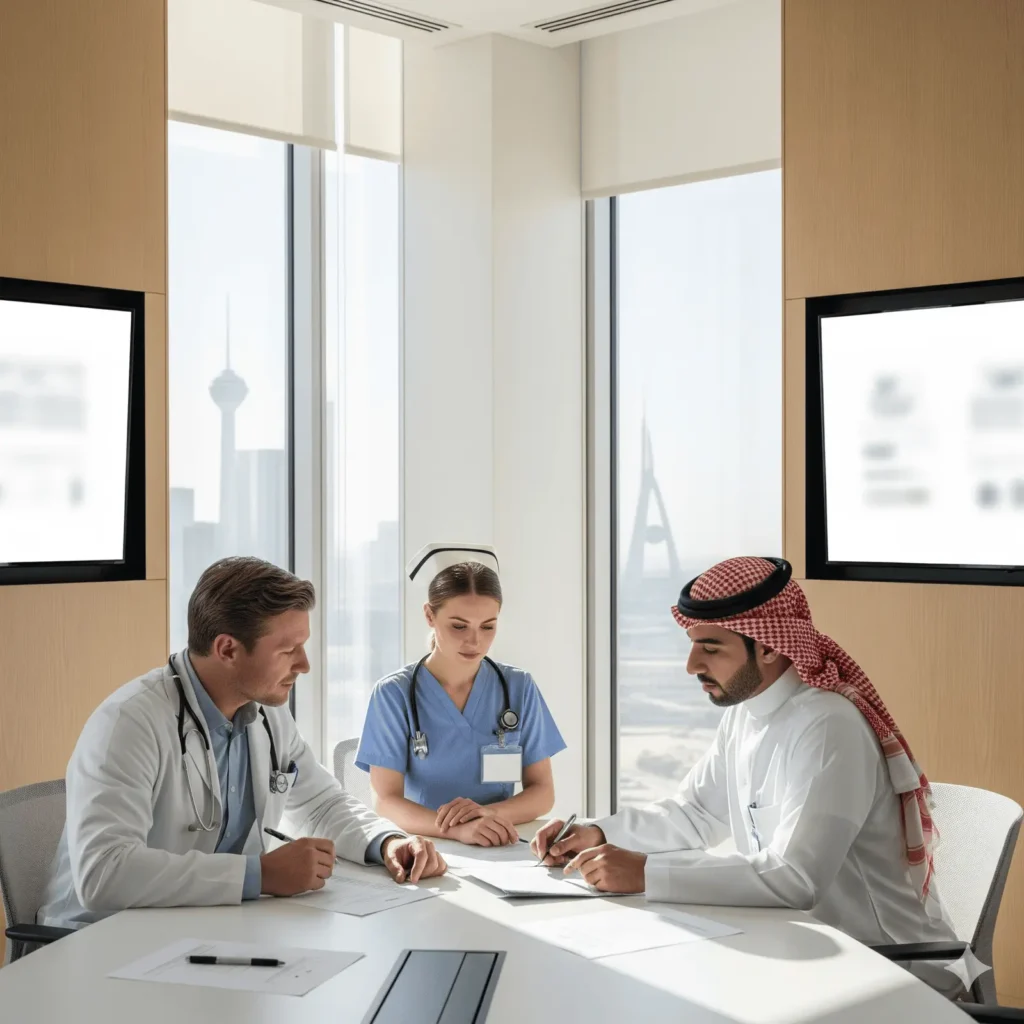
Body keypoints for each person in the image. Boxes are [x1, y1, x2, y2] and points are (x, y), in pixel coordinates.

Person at [533, 556, 956, 950]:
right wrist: (600, 835)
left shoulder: (829, 726)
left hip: (886, 962)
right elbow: (695, 815)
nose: (692, 665)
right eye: (694, 644)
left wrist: (646, 873)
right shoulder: (745, 714)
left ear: (770, 647)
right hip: (795, 946)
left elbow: (796, 879)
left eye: (711, 648)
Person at [38, 557, 446, 929]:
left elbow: (321, 804)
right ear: (228, 649)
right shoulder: (129, 723)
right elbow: (104, 872)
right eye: (288, 650)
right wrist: (259, 875)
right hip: (100, 938)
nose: (303, 665)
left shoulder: (265, 712)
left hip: (199, 925)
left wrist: (387, 841)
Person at [356, 544, 566, 847]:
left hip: (499, 841)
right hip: (424, 845)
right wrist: (456, 830)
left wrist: (485, 815)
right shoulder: (394, 694)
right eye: (458, 626)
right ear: (429, 615)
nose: (475, 641)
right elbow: (386, 801)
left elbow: (543, 792)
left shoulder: (518, 687)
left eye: (488, 626)